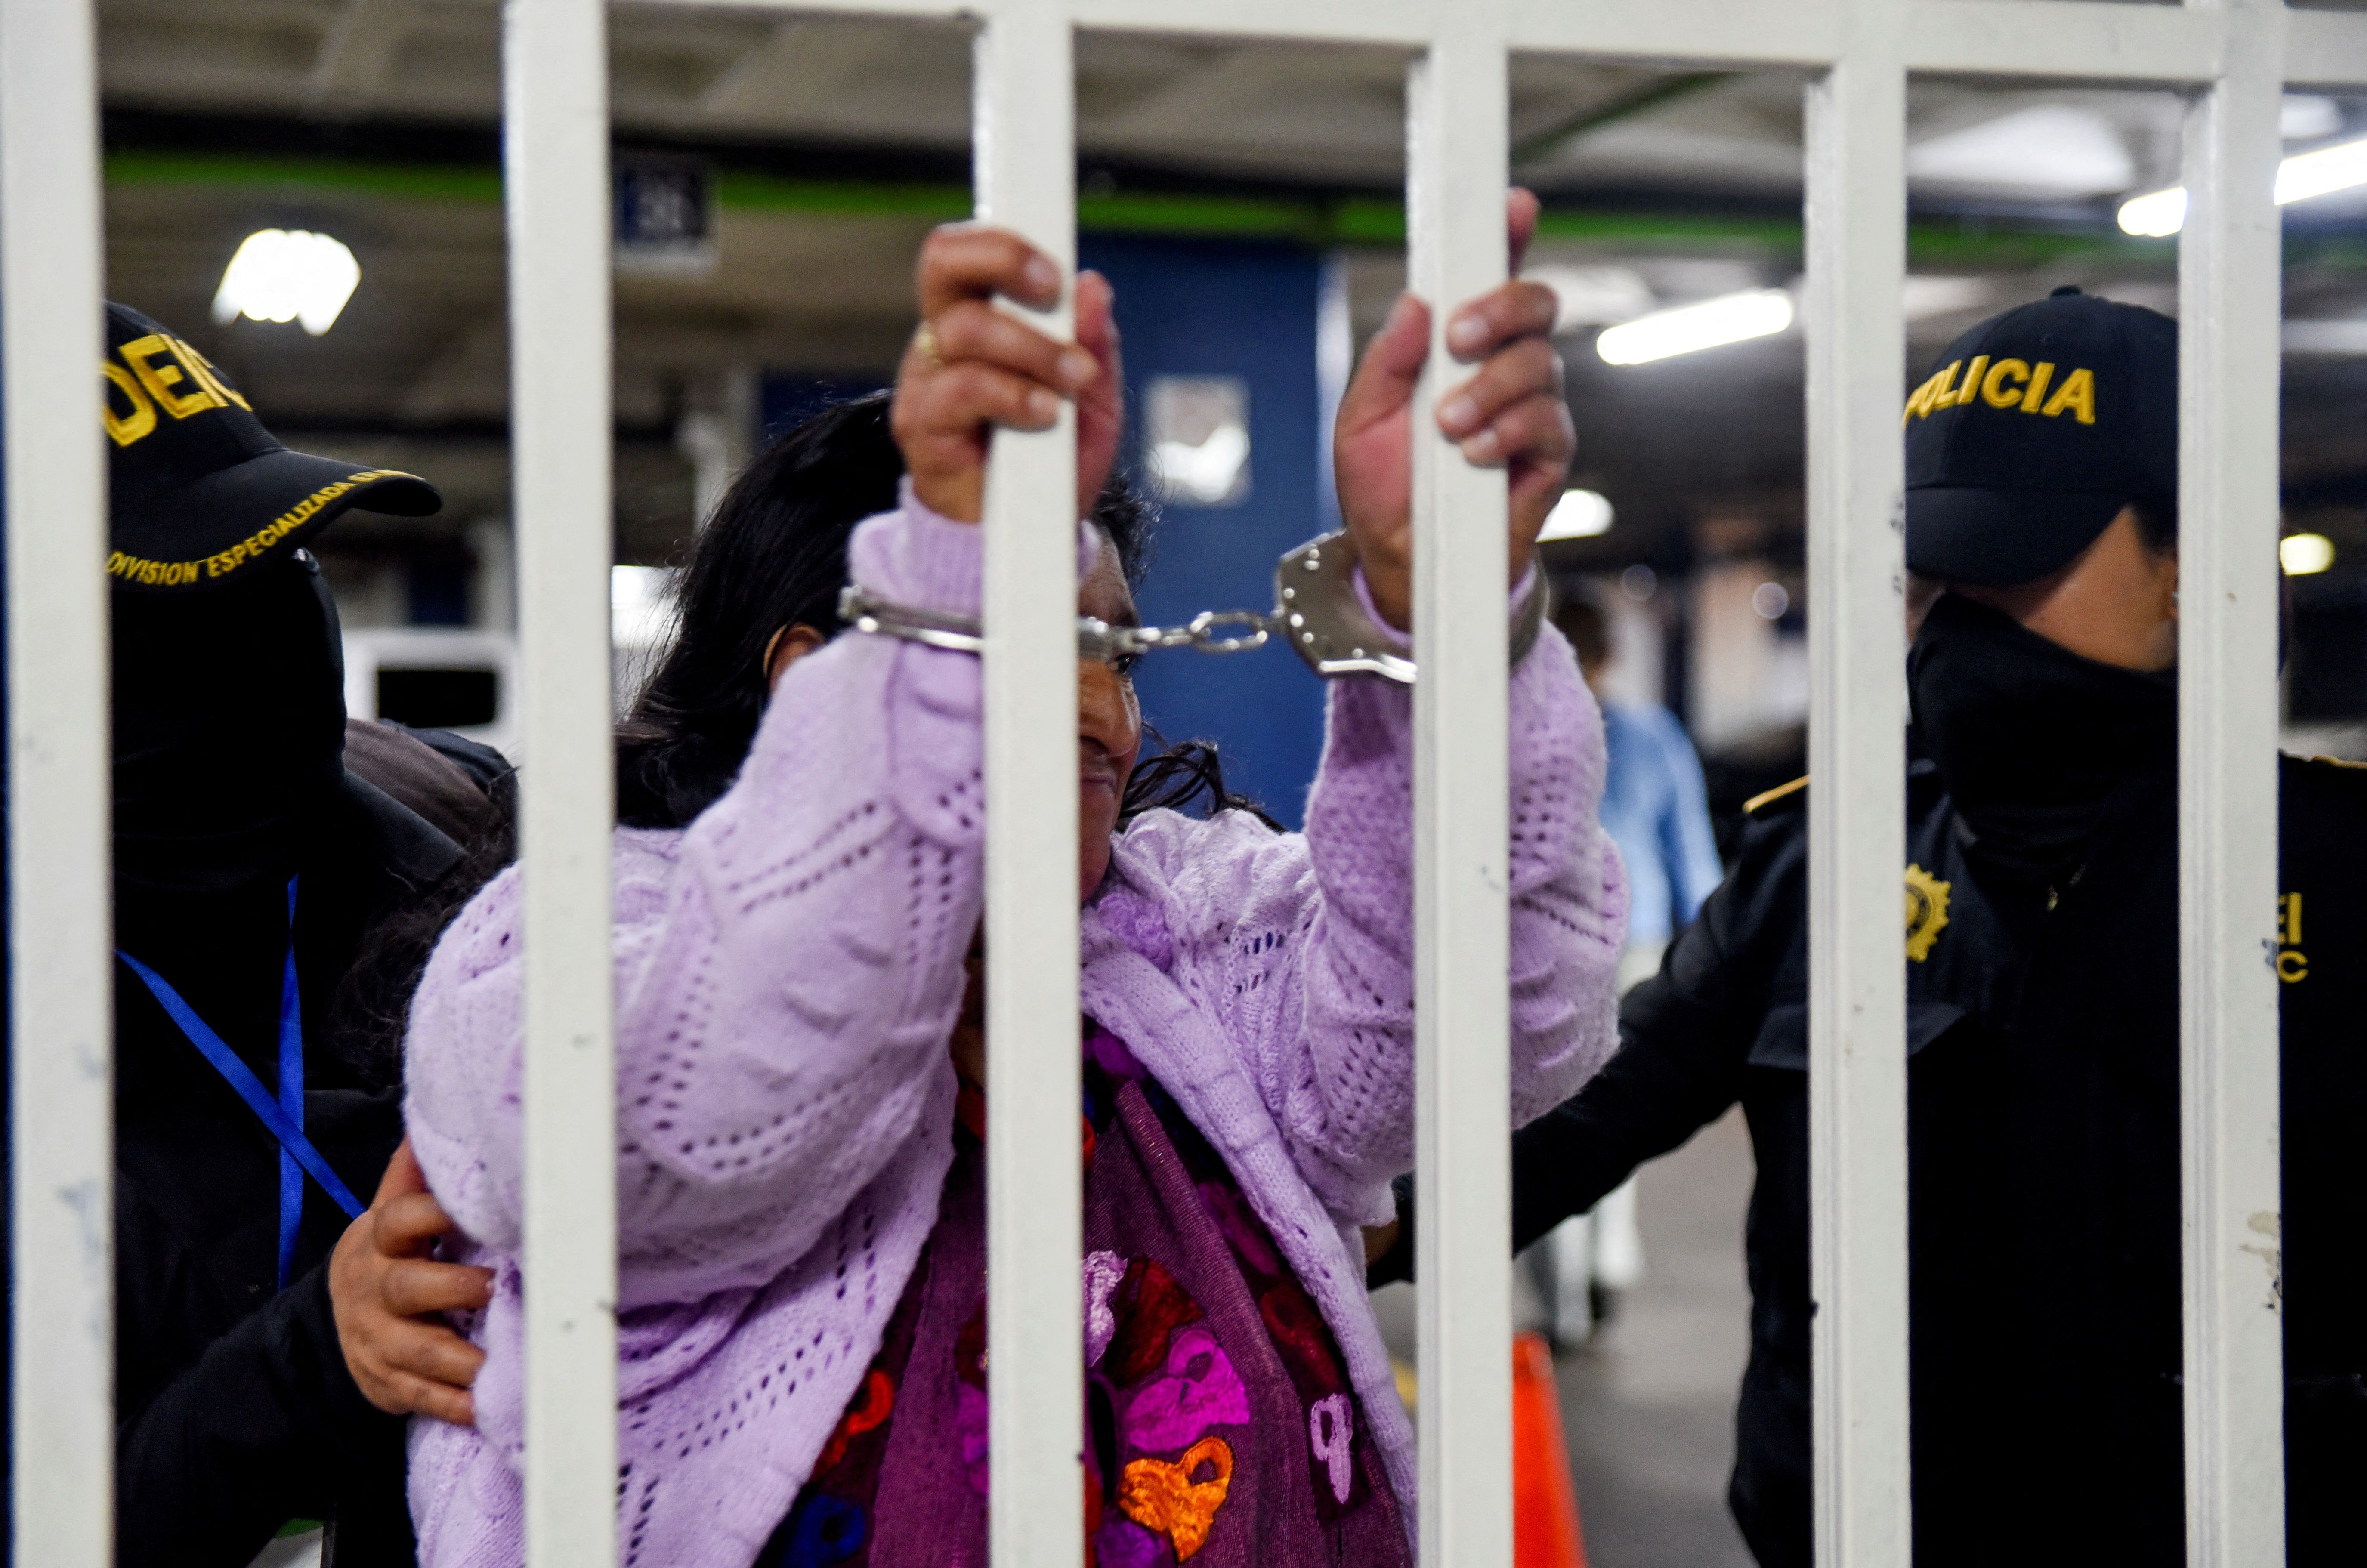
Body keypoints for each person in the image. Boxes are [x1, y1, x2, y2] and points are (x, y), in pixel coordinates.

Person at [393, 194, 1627, 1566]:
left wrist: (1447, 625)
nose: (1099, 702)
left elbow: (1489, 1023)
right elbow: (718, 1115)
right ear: (819, 682)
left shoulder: (1188, 936)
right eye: (1023, 640)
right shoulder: (563, 952)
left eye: (1112, 646)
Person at [1372, 287, 2367, 1565]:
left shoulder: (2337, 886)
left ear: (2192, 564)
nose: (1952, 621)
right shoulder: (1825, 865)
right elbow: (1564, 1119)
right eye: (1926, 574)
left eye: (2011, 561)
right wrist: (1261, 1204)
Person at [91, 301, 507, 1566]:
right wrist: (307, 1362)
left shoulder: (466, 837)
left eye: (282, 565)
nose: (265, 630)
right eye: (191, 595)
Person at [1524, 592, 1722, 1343]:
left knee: (1545, 1114)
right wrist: (1707, 952)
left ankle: (1563, 1302)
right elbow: (1691, 848)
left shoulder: (1521, 734)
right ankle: (1610, 1262)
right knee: (1621, 1104)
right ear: (1610, 655)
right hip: (1636, 943)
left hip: (1546, 950)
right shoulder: (1652, 734)